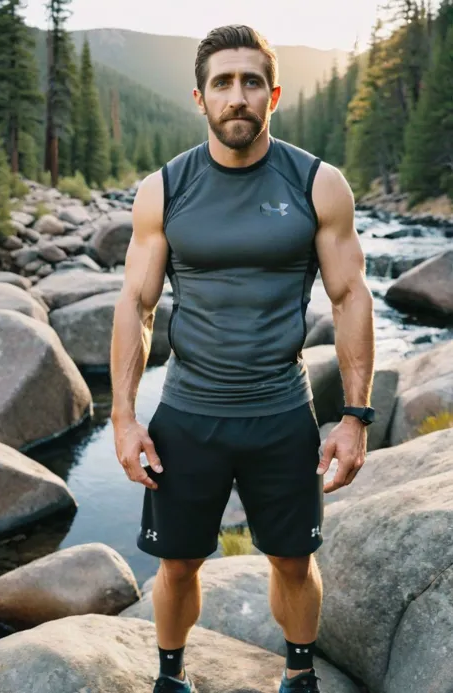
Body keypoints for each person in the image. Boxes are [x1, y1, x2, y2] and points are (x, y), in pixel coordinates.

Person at [110, 24, 375, 693]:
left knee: (292, 558)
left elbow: (349, 296)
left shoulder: (318, 183)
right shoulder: (163, 190)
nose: (237, 96)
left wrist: (356, 416)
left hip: (281, 413)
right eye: (222, 82)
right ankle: (171, 678)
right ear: (199, 98)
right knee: (176, 563)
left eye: (250, 81)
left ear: (273, 94)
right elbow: (135, 305)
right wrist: (121, 416)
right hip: (187, 416)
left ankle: (299, 671)